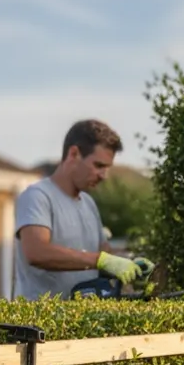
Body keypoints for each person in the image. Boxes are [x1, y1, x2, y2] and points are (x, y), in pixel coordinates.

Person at [13, 119, 152, 300]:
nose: (104, 175)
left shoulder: (88, 203)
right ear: (74, 153)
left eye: (107, 168)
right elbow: (37, 252)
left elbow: (105, 253)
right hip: (40, 322)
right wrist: (101, 261)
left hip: (82, 320)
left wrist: (129, 263)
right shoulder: (37, 196)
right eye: (99, 165)